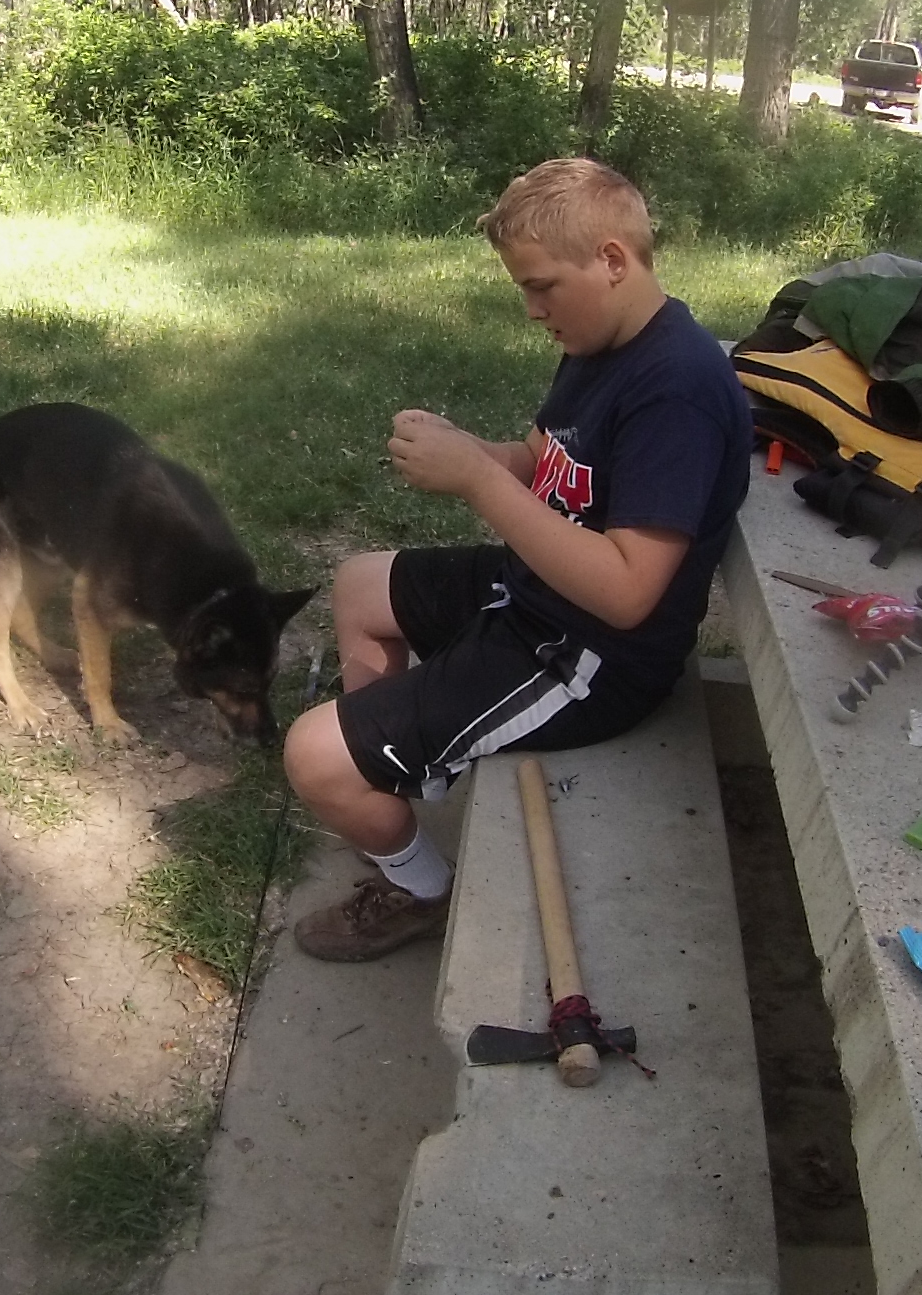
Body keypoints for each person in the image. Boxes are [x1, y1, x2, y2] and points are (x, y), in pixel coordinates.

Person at [282, 157, 753, 960]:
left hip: (589, 658)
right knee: (360, 585)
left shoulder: (675, 391)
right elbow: (540, 461)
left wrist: (475, 481)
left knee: (310, 755)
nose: (533, 311)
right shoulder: (600, 337)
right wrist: (472, 451)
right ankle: (387, 771)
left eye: (541, 288)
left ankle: (419, 889)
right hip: (538, 590)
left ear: (611, 260)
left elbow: (629, 592)